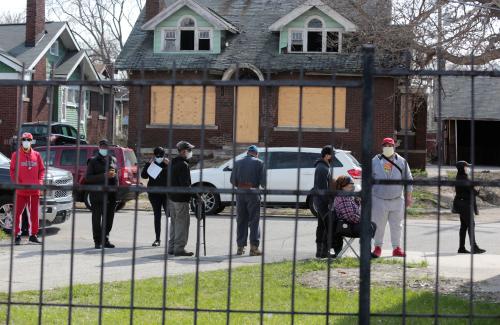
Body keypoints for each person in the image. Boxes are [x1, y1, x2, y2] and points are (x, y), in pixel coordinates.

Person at [371, 138, 413, 258]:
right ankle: (377, 247)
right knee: (378, 225)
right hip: (378, 199)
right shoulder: (375, 161)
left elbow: (409, 179)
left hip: (397, 199)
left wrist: (409, 196)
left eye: (390, 145)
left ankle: (396, 248)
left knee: (397, 226)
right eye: (386, 145)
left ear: (394, 147)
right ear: (382, 146)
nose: (388, 147)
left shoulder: (401, 161)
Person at [230, 145, 266, 256]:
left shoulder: (237, 162)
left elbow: (232, 180)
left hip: (240, 193)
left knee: (241, 220)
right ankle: (254, 248)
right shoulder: (260, 163)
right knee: (254, 221)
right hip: (253, 193)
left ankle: (240, 248)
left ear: (247, 153)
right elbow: (263, 183)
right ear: (256, 153)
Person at [10, 132, 45, 245]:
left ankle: (33, 235)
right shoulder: (16, 155)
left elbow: (42, 170)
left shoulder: (37, 155)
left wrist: (39, 182)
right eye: (24, 139)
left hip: (34, 190)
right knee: (17, 214)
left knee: (34, 214)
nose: (26, 141)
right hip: (21, 190)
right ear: (21, 141)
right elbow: (12, 170)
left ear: (31, 141)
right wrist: (17, 182)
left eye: (28, 140)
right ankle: (17, 235)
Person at [85, 139, 118, 249]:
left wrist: (116, 186)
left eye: (106, 147)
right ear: (99, 147)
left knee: (109, 219)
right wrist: (104, 175)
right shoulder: (93, 161)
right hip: (97, 194)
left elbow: (115, 175)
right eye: (102, 146)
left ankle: (106, 239)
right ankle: (97, 241)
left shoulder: (113, 159)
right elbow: (88, 178)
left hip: (110, 194)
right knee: (96, 219)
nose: (104, 149)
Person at [168, 141, 195, 256]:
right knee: (182, 224)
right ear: (184, 151)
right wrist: (196, 195)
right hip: (181, 199)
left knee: (174, 223)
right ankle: (179, 248)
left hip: (171, 197)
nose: (191, 153)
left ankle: (172, 247)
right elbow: (185, 185)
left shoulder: (172, 163)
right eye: (189, 150)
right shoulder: (183, 165)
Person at [453, 161, 486, 254]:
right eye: (466, 166)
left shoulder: (459, 177)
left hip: (461, 204)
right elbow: (474, 192)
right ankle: (474, 247)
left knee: (464, 226)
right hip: (465, 205)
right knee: (471, 225)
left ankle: (461, 248)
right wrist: (478, 188)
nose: (468, 168)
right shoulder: (464, 179)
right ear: (462, 168)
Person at [141, 146, 170, 247]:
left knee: (169, 215)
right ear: (154, 155)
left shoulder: (167, 163)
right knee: (157, 216)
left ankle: (171, 238)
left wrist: (169, 165)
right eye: (157, 155)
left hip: (166, 194)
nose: (159, 157)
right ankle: (157, 239)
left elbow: (174, 175)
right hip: (154, 194)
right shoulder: (151, 164)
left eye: (161, 155)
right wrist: (148, 164)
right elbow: (144, 176)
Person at [313, 145, 336, 258]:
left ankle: (321, 252)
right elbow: (322, 189)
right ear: (327, 156)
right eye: (332, 155)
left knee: (322, 226)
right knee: (326, 226)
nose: (333, 158)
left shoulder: (323, 167)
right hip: (322, 203)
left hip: (321, 201)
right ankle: (323, 251)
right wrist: (329, 202)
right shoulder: (322, 169)